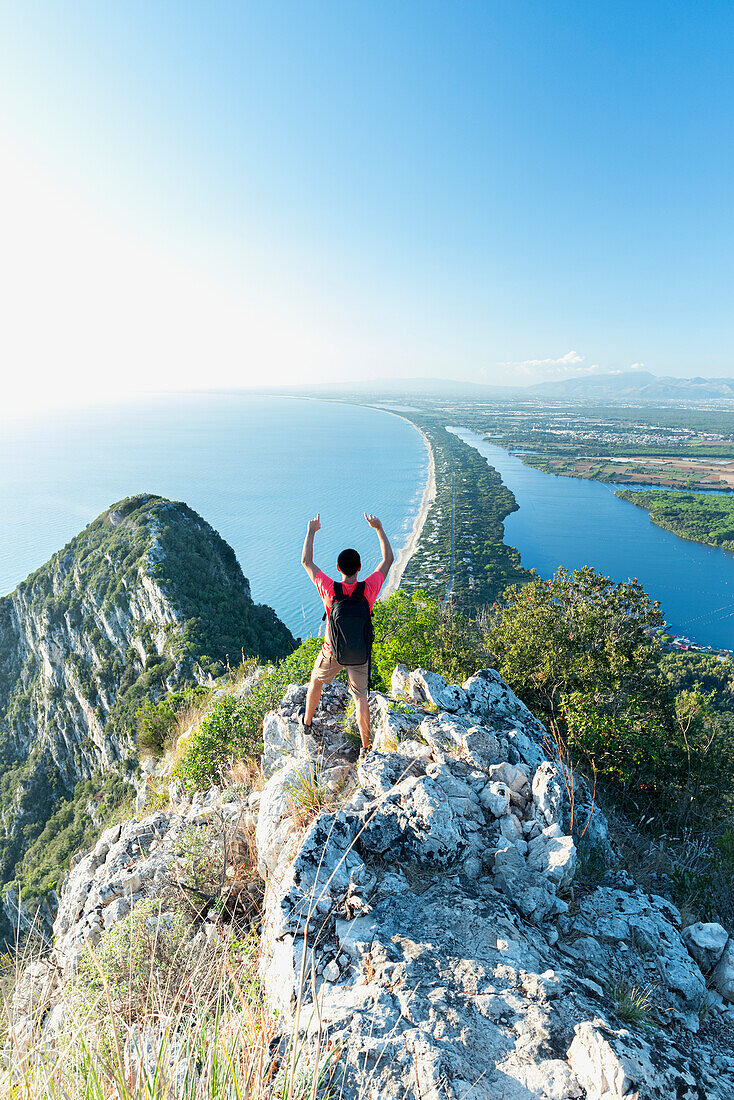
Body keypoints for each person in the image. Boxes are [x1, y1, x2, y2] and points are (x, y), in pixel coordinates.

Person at [300, 512, 394, 754]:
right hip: (360, 653)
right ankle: (365, 746)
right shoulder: (369, 588)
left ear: (338, 568)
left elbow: (307, 562)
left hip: (332, 651)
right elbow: (388, 560)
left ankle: (307, 723)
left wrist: (312, 531)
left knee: (316, 681)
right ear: (360, 568)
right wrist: (378, 528)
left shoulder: (329, 588)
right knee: (360, 697)